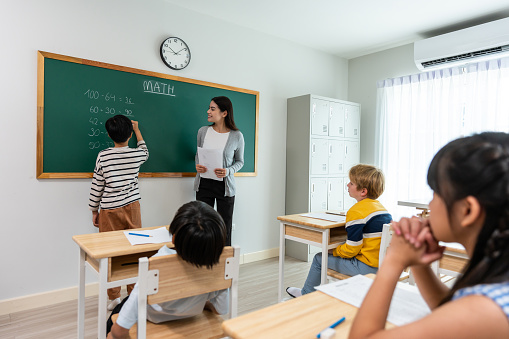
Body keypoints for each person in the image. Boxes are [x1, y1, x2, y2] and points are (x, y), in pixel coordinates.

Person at [349, 132, 509, 338]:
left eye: (435, 193)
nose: (430, 205)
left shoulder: (486, 311)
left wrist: (394, 260)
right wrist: (418, 261)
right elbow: (449, 309)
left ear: (468, 210)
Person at [106, 201, 228, 339]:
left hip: (153, 317)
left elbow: (119, 330)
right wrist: (199, 302)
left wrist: (113, 334)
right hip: (190, 314)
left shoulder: (158, 263)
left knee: (118, 314)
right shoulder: (221, 265)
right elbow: (221, 309)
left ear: (174, 237)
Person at [287, 164, 392, 297]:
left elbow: (352, 249)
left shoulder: (357, 211)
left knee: (320, 258)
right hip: (383, 266)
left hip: (367, 268)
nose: (347, 185)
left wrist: (334, 251)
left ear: (363, 191)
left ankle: (305, 294)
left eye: (351, 183)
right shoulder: (382, 208)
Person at [88, 114, 149, 311]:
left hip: (109, 208)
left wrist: (93, 210)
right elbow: (145, 151)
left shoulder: (103, 156)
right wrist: (138, 130)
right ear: (130, 134)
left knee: (110, 254)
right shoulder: (136, 155)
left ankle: (113, 297)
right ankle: (133, 293)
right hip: (132, 207)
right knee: (134, 250)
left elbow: (97, 185)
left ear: (108, 135)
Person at [194, 96, 244, 246]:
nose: (208, 111)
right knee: (202, 225)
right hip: (204, 184)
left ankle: (225, 264)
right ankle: (203, 260)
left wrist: (228, 171)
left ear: (224, 113)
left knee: (224, 227)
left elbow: (240, 162)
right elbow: (198, 154)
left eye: (212, 109)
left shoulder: (237, 136)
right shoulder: (203, 131)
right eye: (209, 108)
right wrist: (198, 165)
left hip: (225, 187)